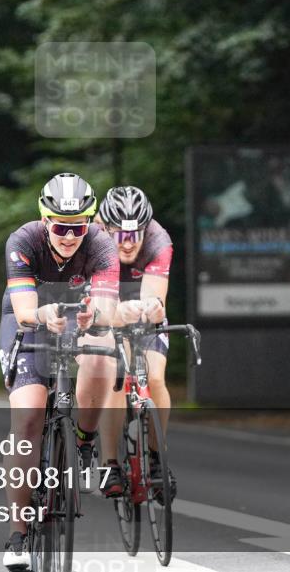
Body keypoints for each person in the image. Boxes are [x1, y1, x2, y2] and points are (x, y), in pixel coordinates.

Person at [0, 173, 119, 571]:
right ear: (45, 220)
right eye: (61, 226)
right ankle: (17, 534)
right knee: (29, 415)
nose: (69, 236)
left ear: (90, 223)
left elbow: (108, 307)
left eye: (78, 227)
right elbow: (23, 311)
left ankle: (83, 441)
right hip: (31, 318)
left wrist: (94, 315)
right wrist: (42, 313)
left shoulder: (101, 244)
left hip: (78, 318)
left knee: (102, 356)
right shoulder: (24, 240)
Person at [93, 186, 176, 500]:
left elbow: (154, 298)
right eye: (120, 236)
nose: (127, 244)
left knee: (154, 378)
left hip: (141, 305)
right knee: (115, 377)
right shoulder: (94, 239)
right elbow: (96, 301)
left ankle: (157, 459)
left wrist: (153, 308)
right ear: (107, 228)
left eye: (135, 236)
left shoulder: (159, 240)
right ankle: (109, 463)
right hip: (109, 303)